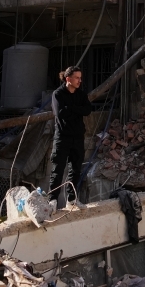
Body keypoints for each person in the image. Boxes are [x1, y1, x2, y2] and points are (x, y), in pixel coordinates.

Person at [50, 66, 92, 209]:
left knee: (75, 169)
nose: (80, 81)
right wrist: (77, 109)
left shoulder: (81, 94)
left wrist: (71, 108)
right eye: (77, 78)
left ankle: (72, 199)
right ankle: (52, 200)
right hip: (62, 137)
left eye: (80, 78)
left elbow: (87, 110)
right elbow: (60, 113)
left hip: (78, 136)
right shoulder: (58, 94)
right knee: (58, 169)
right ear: (68, 79)